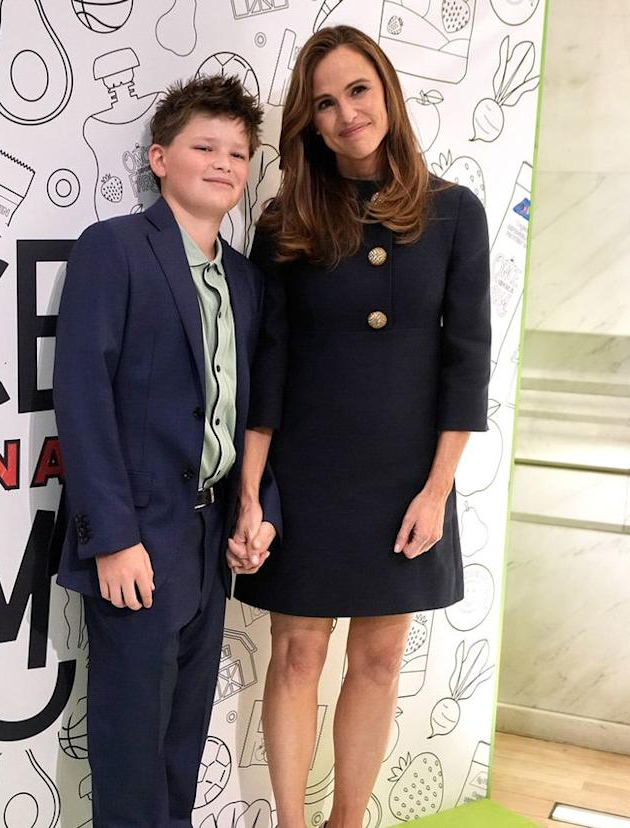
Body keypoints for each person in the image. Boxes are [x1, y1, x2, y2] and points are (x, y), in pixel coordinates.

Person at [229, 25, 492, 828]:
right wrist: (250, 496)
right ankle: (291, 824)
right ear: (309, 124)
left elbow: (466, 362)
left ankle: (349, 820)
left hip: (404, 480)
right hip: (308, 474)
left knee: (377, 659)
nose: (346, 114)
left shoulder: (455, 213)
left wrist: (436, 491)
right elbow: (265, 371)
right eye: (325, 103)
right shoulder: (286, 224)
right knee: (298, 653)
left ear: (387, 91)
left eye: (358, 90)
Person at [54, 73, 282, 827]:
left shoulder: (244, 280)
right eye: (204, 146)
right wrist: (112, 538)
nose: (224, 163)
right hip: (139, 537)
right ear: (159, 158)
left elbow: (250, 410)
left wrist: (259, 508)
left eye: (239, 153)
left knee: (183, 736)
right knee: (130, 742)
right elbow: (82, 400)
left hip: (211, 535)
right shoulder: (113, 250)